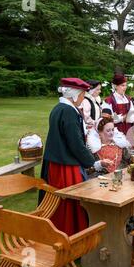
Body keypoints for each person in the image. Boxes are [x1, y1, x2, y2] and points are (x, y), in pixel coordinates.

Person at [40, 78, 110, 236]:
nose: (83, 98)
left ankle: (57, 232)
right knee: (70, 201)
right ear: (74, 94)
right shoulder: (68, 111)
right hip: (65, 164)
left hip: (57, 161)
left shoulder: (58, 108)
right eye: (82, 94)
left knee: (58, 201)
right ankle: (69, 234)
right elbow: (75, 144)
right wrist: (94, 163)